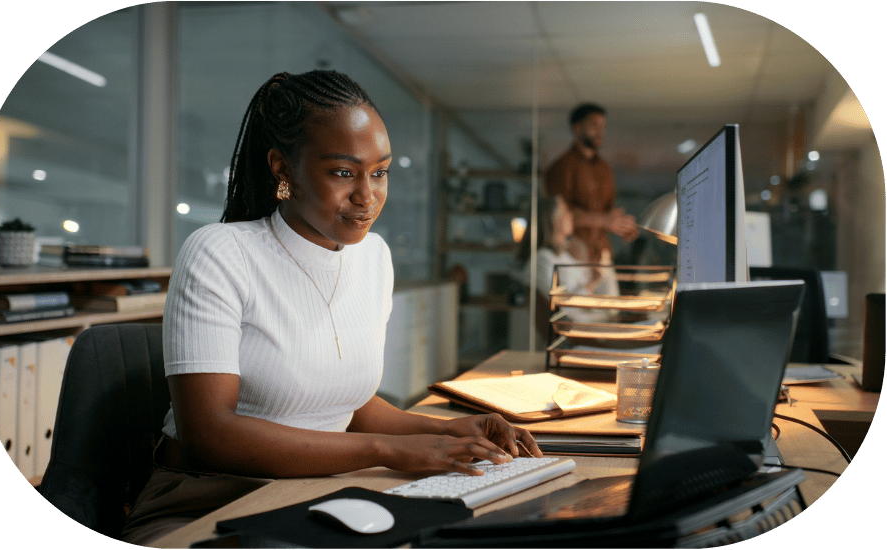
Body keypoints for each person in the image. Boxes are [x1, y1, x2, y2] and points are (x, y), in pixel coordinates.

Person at [120, 70, 541, 545]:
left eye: (379, 172)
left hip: (321, 491)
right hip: (205, 500)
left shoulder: (374, 258)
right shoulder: (220, 253)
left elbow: (345, 405)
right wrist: (389, 451)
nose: (367, 197)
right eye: (344, 172)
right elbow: (210, 437)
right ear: (283, 169)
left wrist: (449, 431)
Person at [544, 102, 639, 265]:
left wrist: (622, 225)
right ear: (577, 128)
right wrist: (604, 221)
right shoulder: (561, 167)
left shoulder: (605, 169)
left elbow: (608, 213)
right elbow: (557, 215)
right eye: (594, 125)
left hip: (603, 254)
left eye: (603, 126)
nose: (600, 131)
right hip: (572, 255)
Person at [515, 195, 617, 342]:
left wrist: (600, 270)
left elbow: (593, 290)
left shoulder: (563, 256)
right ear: (553, 220)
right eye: (565, 212)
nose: (571, 216)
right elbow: (564, 309)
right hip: (578, 334)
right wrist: (594, 281)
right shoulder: (542, 259)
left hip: (591, 325)